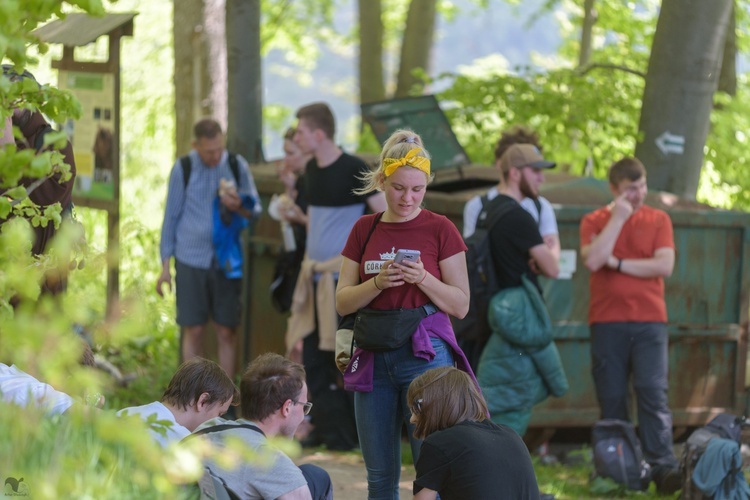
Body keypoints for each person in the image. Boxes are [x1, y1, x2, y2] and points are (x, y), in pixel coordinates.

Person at [336, 129, 474, 499]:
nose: (408, 198)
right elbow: (343, 302)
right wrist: (378, 283)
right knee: (379, 475)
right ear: (382, 181)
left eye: (417, 189)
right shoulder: (363, 229)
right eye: (398, 188)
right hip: (373, 356)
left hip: (426, 354)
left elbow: (461, 304)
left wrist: (423, 278)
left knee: (431, 471)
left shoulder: (441, 228)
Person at [285, 102, 386, 450]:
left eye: (300, 131)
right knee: (311, 357)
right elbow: (317, 223)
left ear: (318, 133)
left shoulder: (354, 168)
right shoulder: (311, 170)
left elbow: (383, 215)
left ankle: (347, 437)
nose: (296, 137)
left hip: (342, 282)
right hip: (313, 281)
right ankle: (325, 430)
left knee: (343, 357)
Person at [580, 157, 681, 494]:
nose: (638, 194)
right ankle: (618, 468)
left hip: (651, 322)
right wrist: (619, 218)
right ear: (614, 189)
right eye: (630, 189)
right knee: (612, 396)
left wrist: (618, 262)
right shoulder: (594, 220)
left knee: (653, 393)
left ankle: (662, 467)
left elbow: (664, 265)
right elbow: (594, 259)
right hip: (606, 322)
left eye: (642, 186)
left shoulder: (659, 218)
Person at [157, 118, 261, 379]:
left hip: (227, 260)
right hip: (190, 258)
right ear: (196, 145)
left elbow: (255, 210)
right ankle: (192, 394)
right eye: (209, 151)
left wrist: (238, 205)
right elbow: (171, 216)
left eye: (219, 149)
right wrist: (165, 267)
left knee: (227, 330)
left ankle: (224, 400)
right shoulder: (184, 168)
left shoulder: (237, 166)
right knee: (194, 329)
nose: (215, 156)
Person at [475, 143, 561, 437]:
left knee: (493, 403)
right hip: (517, 325)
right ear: (514, 173)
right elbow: (552, 267)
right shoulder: (519, 217)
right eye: (535, 171)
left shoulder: (487, 211)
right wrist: (543, 254)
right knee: (512, 406)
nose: (541, 178)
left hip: (491, 318)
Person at [194, 353, 333, 500]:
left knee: (309, 474)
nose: (302, 416)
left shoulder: (208, 429)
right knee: (318, 477)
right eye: (304, 407)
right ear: (287, 408)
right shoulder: (272, 461)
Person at [1, 65, 78, 296]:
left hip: (43, 282)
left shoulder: (55, 143)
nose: (9, 104)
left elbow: (50, 195)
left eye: (17, 95)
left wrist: (8, 150)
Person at [407, 366, 540, 500]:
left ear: (435, 404)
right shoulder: (511, 434)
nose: (412, 419)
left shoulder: (438, 443)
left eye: (416, 407)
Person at [117, 357, 238, 448]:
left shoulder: (125, 413)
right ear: (203, 401)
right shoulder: (183, 441)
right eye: (220, 414)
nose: (217, 422)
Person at [269, 127, 310, 313]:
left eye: (290, 153)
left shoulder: (316, 180)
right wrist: (289, 187)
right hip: (295, 257)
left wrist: (301, 219)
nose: (286, 159)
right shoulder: (301, 179)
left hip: (311, 260)